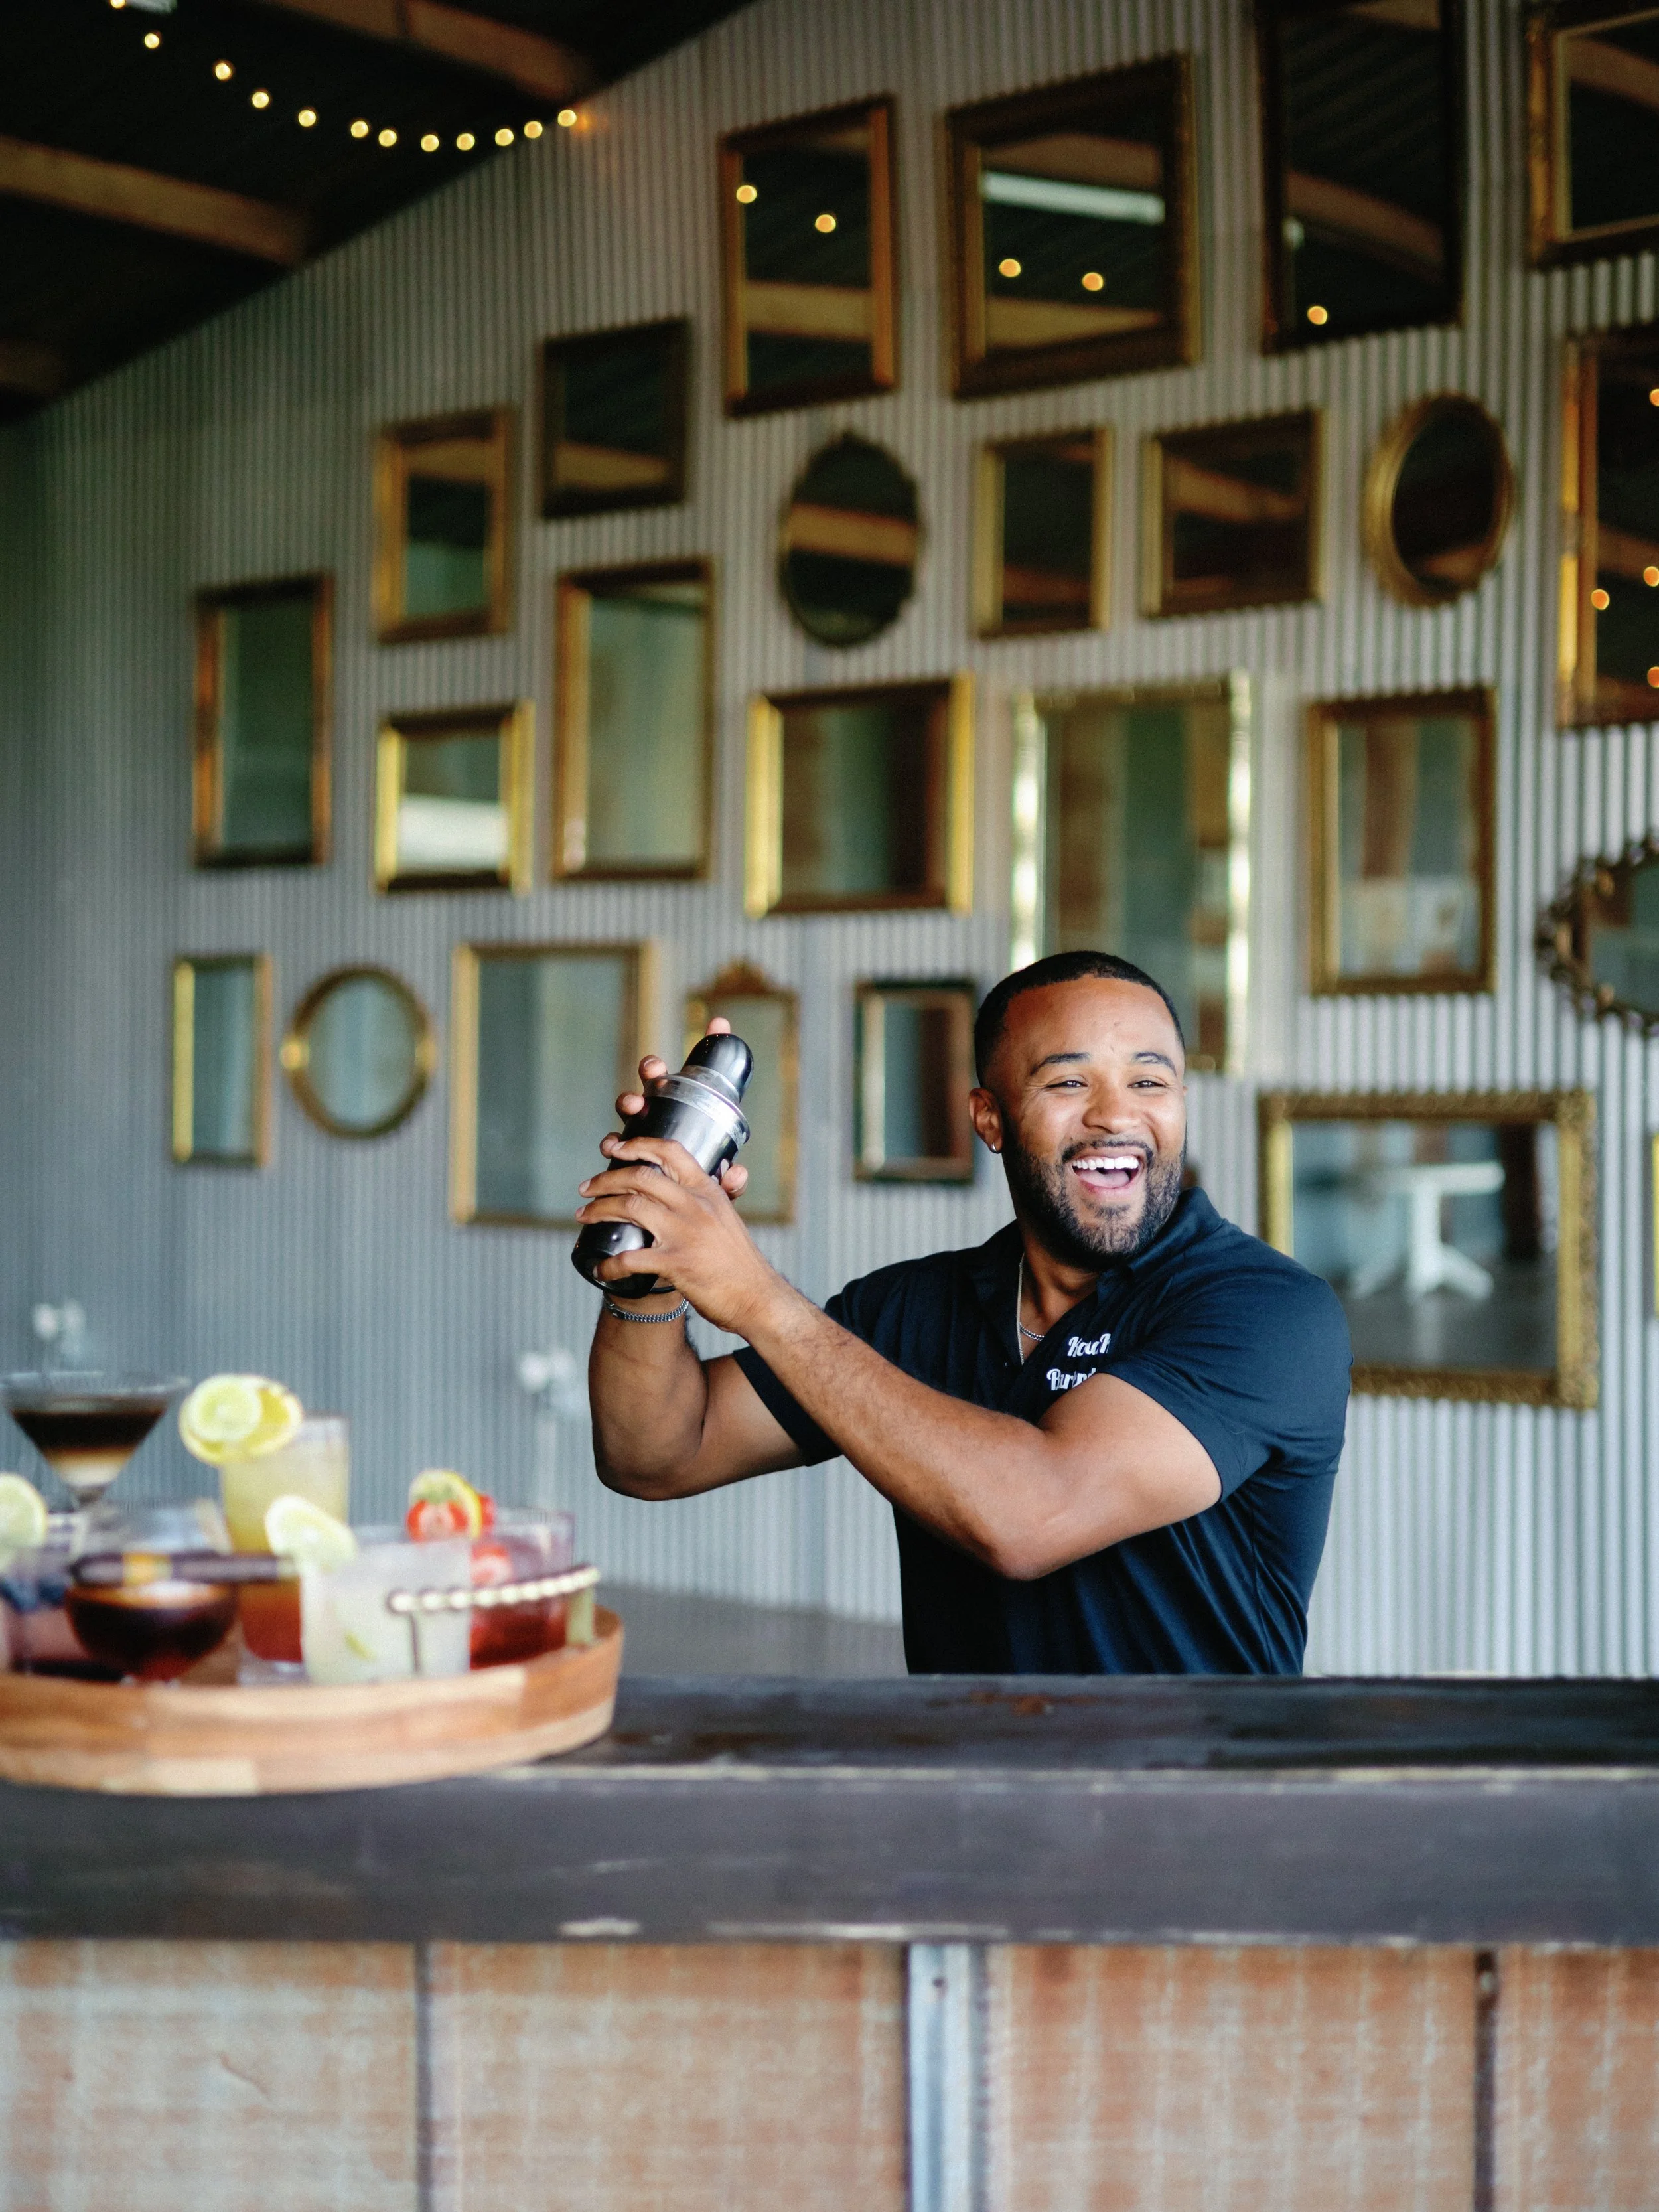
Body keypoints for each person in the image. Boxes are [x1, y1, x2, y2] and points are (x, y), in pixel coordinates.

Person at [577, 951, 1350, 1674]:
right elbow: (656, 1456)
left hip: (1197, 1775)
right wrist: (653, 1269)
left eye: (1150, 1082)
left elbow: (1031, 1517)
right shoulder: (915, 1307)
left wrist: (755, 1296)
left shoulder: (1269, 1312)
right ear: (990, 1118)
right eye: (1068, 1082)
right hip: (966, 1767)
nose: (1115, 1115)